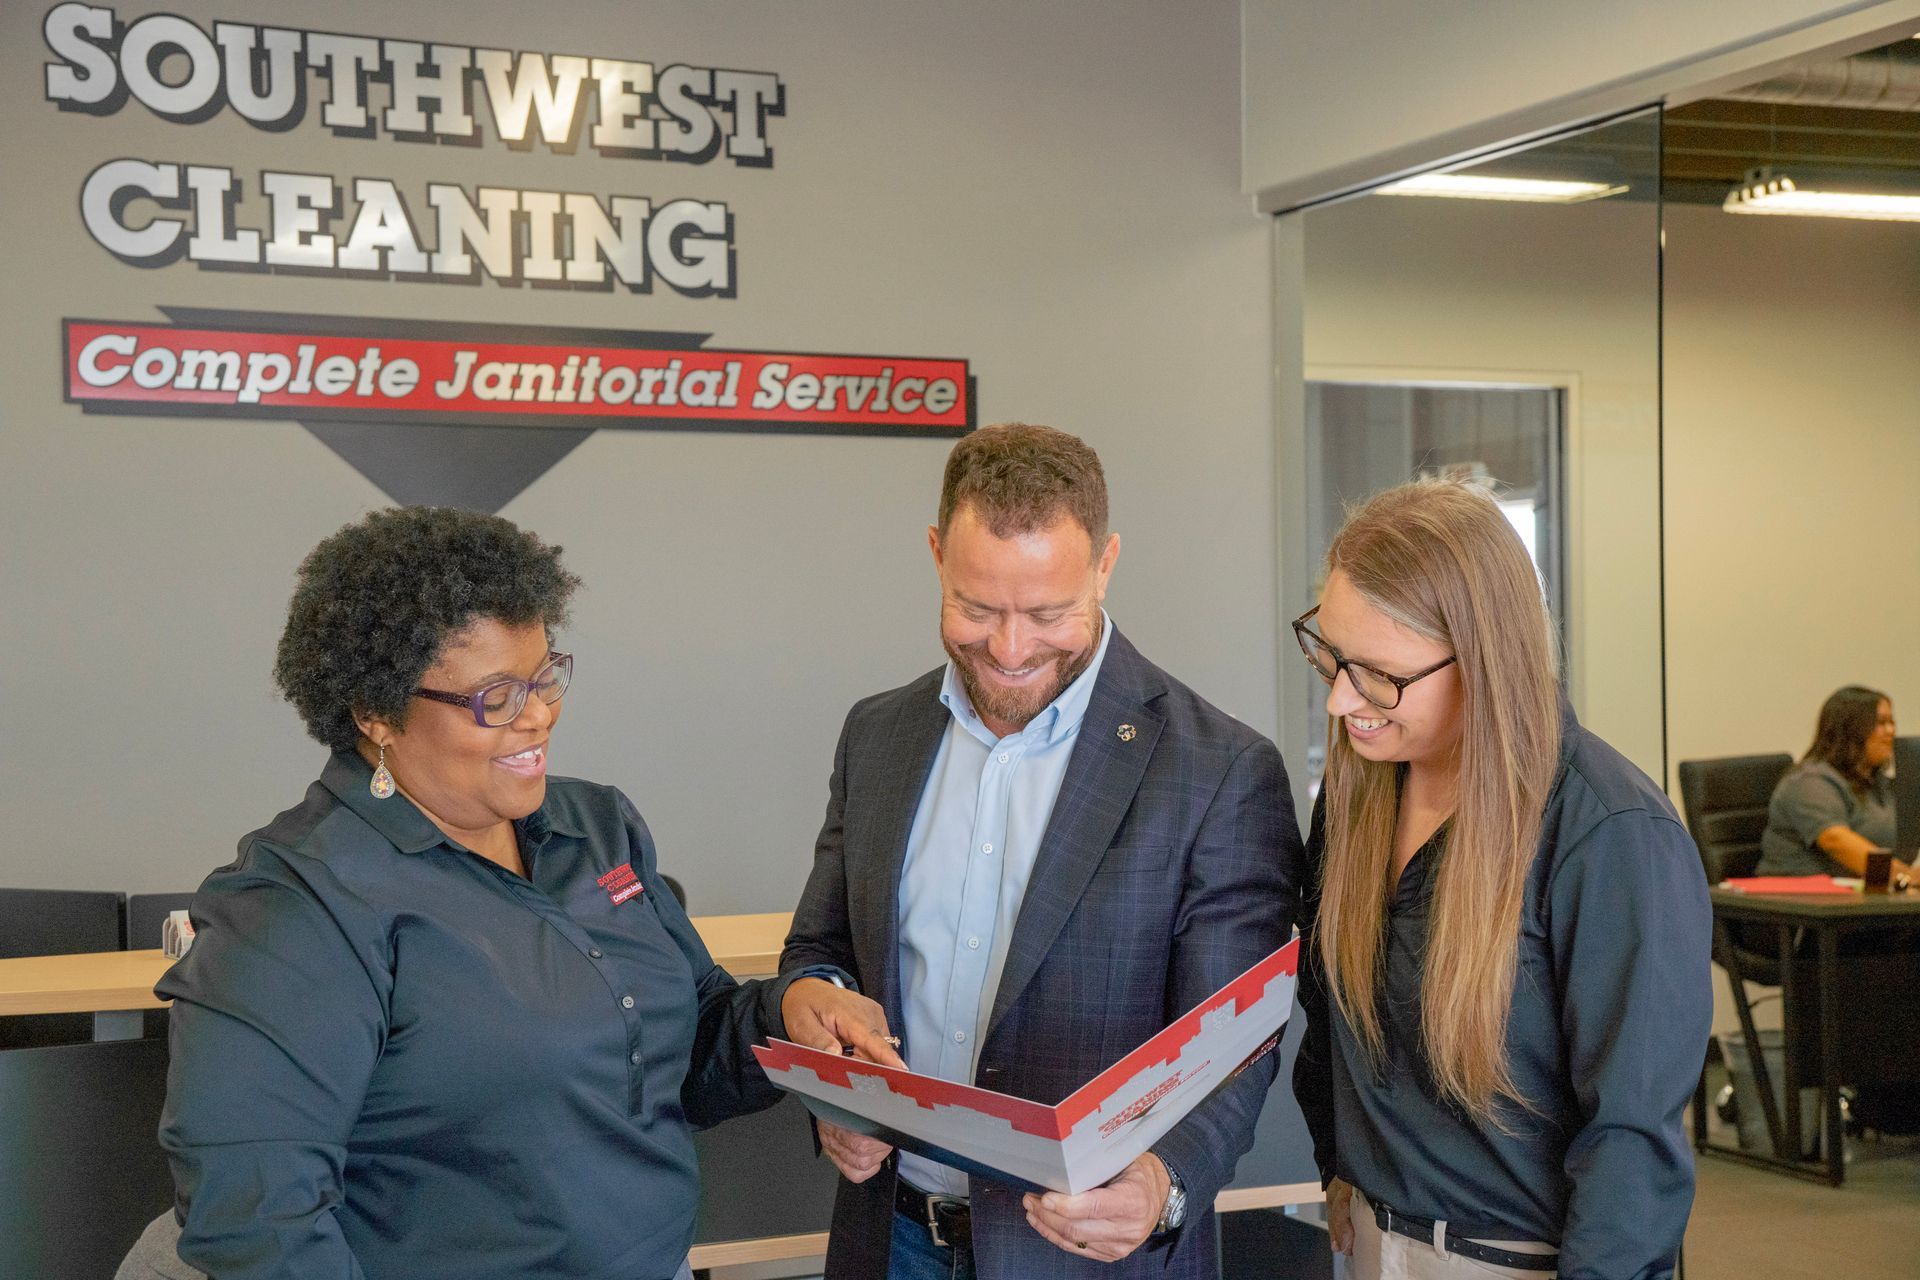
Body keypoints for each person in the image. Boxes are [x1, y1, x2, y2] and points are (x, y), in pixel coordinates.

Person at [157, 506, 892, 1280]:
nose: (539, 715)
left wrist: (787, 1011)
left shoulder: (596, 826)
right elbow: (253, 1217)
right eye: (495, 698)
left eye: (544, 677)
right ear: (375, 713)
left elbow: (680, 1054)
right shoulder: (298, 905)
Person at [781, 422, 1303, 1280]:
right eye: (977, 608)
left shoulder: (1220, 771)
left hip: (1091, 1261)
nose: (1011, 648)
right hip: (892, 1241)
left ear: (1105, 565)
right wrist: (829, 1061)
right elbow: (822, 953)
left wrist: (1164, 1184)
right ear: (936, 552)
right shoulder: (876, 735)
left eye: (1049, 613)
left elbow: (1234, 1045)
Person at [1291, 477, 1711, 1279]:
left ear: (1483, 658)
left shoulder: (1612, 837)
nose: (1343, 700)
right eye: (1331, 657)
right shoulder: (1355, 796)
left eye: (1379, 674)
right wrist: (1336, 1160)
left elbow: (1632, 1145)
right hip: (1368, 1245)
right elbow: (1328, 1014)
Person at [1756, 686, 1904, 883]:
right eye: (1880, 723)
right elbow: (1836, 840)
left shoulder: (1880, 784)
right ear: (1849, 728)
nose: (1891, 731)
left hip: (1864, 898)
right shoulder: (1808, 782)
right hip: (1799, 903)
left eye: (1891, 722)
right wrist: (1904, 876)